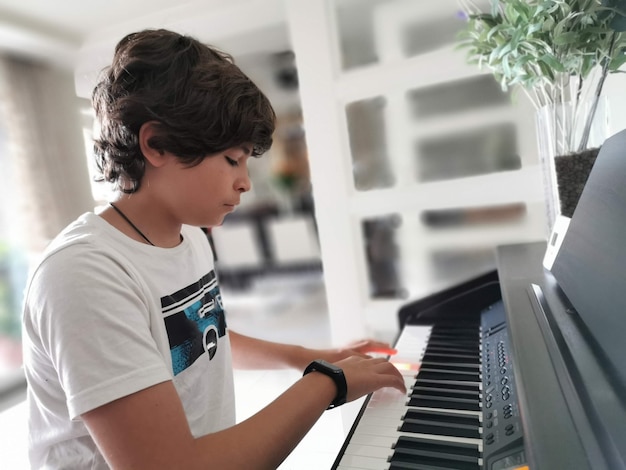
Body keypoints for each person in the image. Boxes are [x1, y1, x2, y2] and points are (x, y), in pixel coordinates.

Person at [21, 28, 406, 469]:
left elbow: (197, 338)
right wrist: (327, 383)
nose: (245, 181)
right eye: (231, 159)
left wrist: (303, 357)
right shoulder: (84, 274)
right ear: (156, 144)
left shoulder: (189, 239)